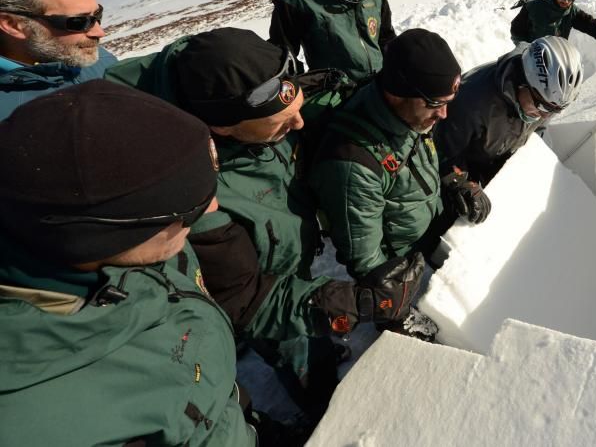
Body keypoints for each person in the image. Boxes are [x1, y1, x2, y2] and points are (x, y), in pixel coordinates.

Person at [104, 28, 421, 418]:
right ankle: (318, 399)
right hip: (266, 293)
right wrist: (347, 301)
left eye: (296, 111)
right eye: (282, 124)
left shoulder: (236, 83)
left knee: (311, 335)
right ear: (222, 128)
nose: (299, 126)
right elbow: (244, 296)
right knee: (295, 351)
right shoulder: (186, 192)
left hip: (285, 250)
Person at [0, 80, 263, 446]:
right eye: (190, 209)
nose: (209, 213)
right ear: (99, 236)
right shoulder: (31, 423)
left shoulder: (147, 254)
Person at [309, 29, 484, 282]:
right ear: (398, 92)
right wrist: (396, 298)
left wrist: (452, 179)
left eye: (449, 102)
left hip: (430, 236)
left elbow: (424, 160)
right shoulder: (353, 165)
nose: (444, 114)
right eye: (436, 104)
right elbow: (367, 261)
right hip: (406, 266)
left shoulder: (411, 115)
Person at [435, 36, 584, 187]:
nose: (544, 116)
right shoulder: (470, 102)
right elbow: (443, 156)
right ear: (523, 82)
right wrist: (465, 186)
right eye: (543, 107)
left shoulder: (542, 100)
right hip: (466, 168)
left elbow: (538, 129)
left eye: (553, 110)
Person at [0, 0, 116, 119]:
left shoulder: (93, 58)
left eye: (97, 16)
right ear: (13, 25)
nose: (99, 32)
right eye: (78, 22)